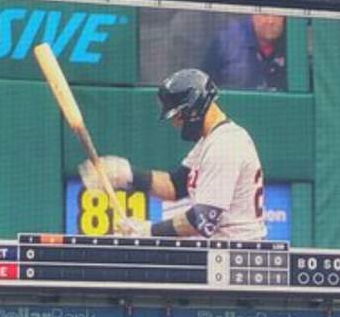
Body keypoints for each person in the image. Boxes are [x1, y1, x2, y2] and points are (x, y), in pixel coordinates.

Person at [79, 68, 266, 241]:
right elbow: (175, 185)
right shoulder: (210, 140)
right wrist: (128, 174)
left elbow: (202, 220)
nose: (176, 124)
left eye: (177, 115)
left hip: (240, 258)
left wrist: (147, 231)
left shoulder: (225, 145)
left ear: (193, 109)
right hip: (224, 254)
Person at [202, 13, 288, 91]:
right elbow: (203, 86)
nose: (270, 21)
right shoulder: (226, 43)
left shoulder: (294, 42)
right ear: (253, 15)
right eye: (264, 14)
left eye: (277, 15)